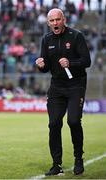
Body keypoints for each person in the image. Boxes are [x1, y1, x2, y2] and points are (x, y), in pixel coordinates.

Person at [35, 8, 91, 176]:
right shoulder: (46, 39)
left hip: (76, 85)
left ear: (64, 20)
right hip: (57, 87)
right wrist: (41, 66)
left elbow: (86, 61)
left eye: (58, 20)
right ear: (48, 23)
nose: (55, 23)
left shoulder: (76, 36)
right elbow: (45, 68)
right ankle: (56, 164)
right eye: (51, 21)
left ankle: (78, 159)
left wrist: (70, 63)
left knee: (73, 121)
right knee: (53, 124)